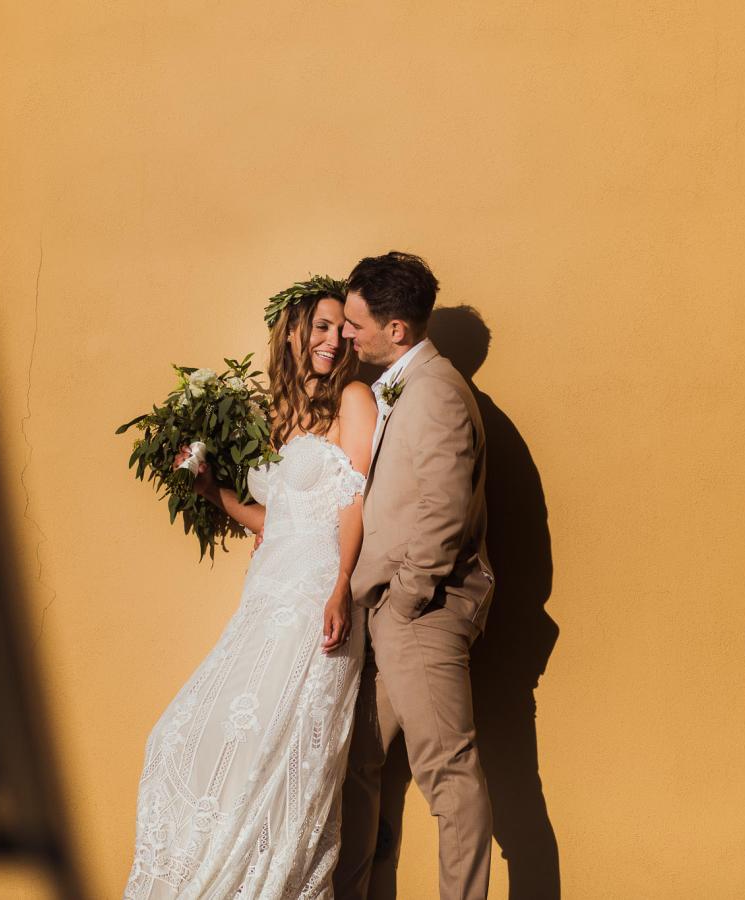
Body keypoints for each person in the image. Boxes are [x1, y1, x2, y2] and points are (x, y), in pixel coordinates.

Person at [124, 276, 378, 899]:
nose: (331, 340)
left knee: (283, 750)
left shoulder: (354, 399)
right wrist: (215, 492)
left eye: (338, 328)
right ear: (292, 334)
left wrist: (342, 584)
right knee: (181, 738)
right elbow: (281, 520)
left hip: (320, 591)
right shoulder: (277, 416)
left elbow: (354, 503)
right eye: (319, 327)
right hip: (268, 591)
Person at [333, 252, 496, 900]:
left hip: (422, 616)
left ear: (397, 330)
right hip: (387, 614)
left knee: (450, 777)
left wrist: (404, 601)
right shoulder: (403, 385)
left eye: (355, 323)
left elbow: (444, 509)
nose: (347, 334)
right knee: (359, 768)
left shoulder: (438, 394)